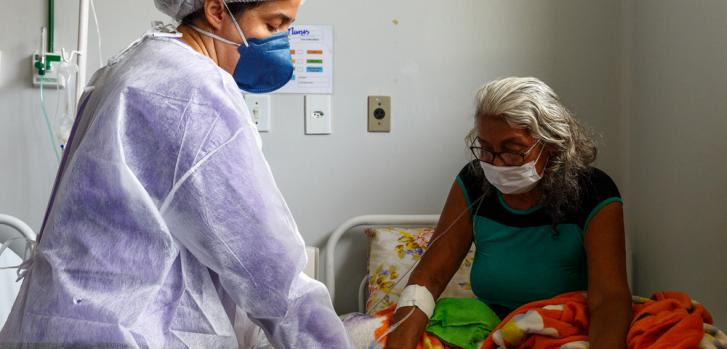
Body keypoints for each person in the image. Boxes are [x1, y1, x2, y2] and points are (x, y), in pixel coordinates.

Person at [0, 0, 351, 348]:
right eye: (273, 25)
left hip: (57, 322)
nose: (283, 41)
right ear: (217, 11)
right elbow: (268, 268)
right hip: (126, 333)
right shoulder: (193, 91)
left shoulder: (134, 66)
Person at [385, 77, 632, 349]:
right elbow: (429, 278)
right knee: (378, 332)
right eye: (486, 150)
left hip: (563, 328)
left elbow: (609, 298)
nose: (496, 164)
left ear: (550, 144)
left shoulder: (594, 192)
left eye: (512, 151)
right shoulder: (473, 183)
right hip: (488, 324)